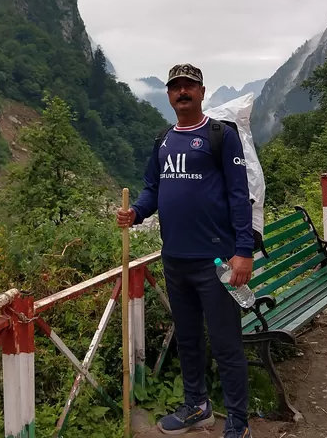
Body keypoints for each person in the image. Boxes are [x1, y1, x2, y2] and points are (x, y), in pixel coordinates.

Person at [117, 63, 253, 437]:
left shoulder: (221, 136)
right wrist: (136, 212)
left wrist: (243, 251)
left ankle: (239, 424)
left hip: (218, 262)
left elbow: (240, 197)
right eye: (176, 87)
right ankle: (197, 406)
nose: (182, 92)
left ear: (202, 91)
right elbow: (153, 189)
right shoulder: (163, 139)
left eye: (189, 86)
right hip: (175, 259)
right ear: (169, 94)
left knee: (227, 345)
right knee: (188, 339)